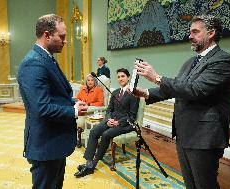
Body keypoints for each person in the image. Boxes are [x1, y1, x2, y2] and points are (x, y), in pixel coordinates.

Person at [132, 15, 230, 189]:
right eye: (190, 31)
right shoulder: (191, 62)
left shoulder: (223, 60)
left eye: (195, 31)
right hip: (184, 134)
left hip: (204, 137)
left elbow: (195, 89)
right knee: (190, 184)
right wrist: (145, 93)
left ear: (211, 33)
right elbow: (177, 87)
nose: (190, 35)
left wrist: (156, 77)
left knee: (205, 185)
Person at [17, 14, 88, 189]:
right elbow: (42, 108)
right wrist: (74, 111)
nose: (65, 41)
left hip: (54, 142)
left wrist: (73, 102)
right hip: (45, 144)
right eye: (62, 37)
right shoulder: (33, 63)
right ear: (47, 35)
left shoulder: (46, 58)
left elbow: (54, 95)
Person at [74, 68, 140, 178]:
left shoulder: (134, 94)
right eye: (118, 77)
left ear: (128, 78)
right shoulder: (114, 92)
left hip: (126, 124)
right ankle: (88, 163)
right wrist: (109, 119)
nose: (120, 78)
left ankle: (93, 165)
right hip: (111, 120)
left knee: (106, 135)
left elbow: (132, 116)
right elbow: (109, 109)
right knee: (94, 131)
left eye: (123, 76)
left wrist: (118, 122)